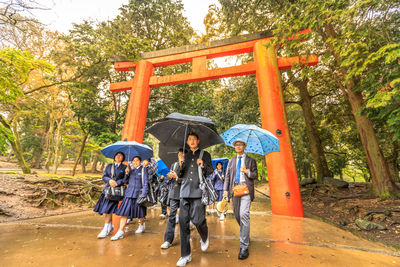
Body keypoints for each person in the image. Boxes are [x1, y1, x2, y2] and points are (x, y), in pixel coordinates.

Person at [176, 133, 213, 267]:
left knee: (198, 220)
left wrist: (202, 165)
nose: (192, 141)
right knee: (183, 223)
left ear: (198, 141)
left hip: (198, 191)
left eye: (194, 139)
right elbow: (179, 176)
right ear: (187, 141)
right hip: (184, 191)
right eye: (189, 139)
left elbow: (210, 171)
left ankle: (205, 235)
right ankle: (185, 255)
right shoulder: (183, 154)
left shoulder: (205, 154)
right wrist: (180, 164)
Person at [223, 140, 258, 260]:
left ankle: (244, 247)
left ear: (244, 146)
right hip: (235, 190)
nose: (238, 147)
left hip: (246, 190)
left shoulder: (251, 160)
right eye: (236, 145)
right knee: (237, 216)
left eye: (240, 145)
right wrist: (225, 190)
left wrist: (247, 171)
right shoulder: (231, 161)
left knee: (243, 214)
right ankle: (246, 234)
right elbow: (227, 176)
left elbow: (255, 175)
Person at [111, 156, 148, 240]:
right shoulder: (130, 170)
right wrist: (127, 173)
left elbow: (146, 182)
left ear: (140, 161)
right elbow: (125, 181)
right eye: (133, 161)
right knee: (124, 213)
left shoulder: (143, 169)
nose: (135, 162)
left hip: (138, 194)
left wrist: (144, 193)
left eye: (137, 160)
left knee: (140, 213)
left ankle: (141, 225)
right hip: (129, 194)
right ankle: (120, 231)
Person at [93, 152, 127, 238]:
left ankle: (106, 228)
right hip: (108, 190)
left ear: (123, 158)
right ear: (114, 156)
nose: (118, 156)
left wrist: (117, 182)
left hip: (117, 191)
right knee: (107, 209)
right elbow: (104, 176)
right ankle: (108, 226)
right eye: (117, 155)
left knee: (109, 209)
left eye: (120, 155)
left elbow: (125, 179)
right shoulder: (109, 166)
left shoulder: (125, 167)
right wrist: (109, 181)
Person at [161, 148, 185, 249]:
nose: (181, 156)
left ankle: (185, 240)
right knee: (171, 216)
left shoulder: (190, 166)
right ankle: (168, 240)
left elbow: (189, 181)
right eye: (179, 154)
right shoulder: (174, 165)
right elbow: (169, 180)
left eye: (183, 154)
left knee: (184, 218)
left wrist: (177, 177)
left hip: (185, 194)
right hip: (174, 193)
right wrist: (169, 177)